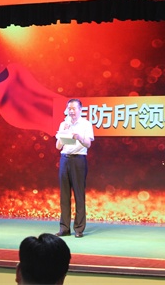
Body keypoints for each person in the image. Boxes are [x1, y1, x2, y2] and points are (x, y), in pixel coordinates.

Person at [55, 98, 94, 238]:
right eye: (69, 109)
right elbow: (58, 146)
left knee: (78, 194)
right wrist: (63, 133)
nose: (71, 111)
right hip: (65, 159)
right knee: (64, 195)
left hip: (78, 160)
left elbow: (88, 144)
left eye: (74, 109)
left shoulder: (86, 124)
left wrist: (79, 138)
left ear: (80, 110)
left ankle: (79, 228)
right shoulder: (63, 124)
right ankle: (64, 228)